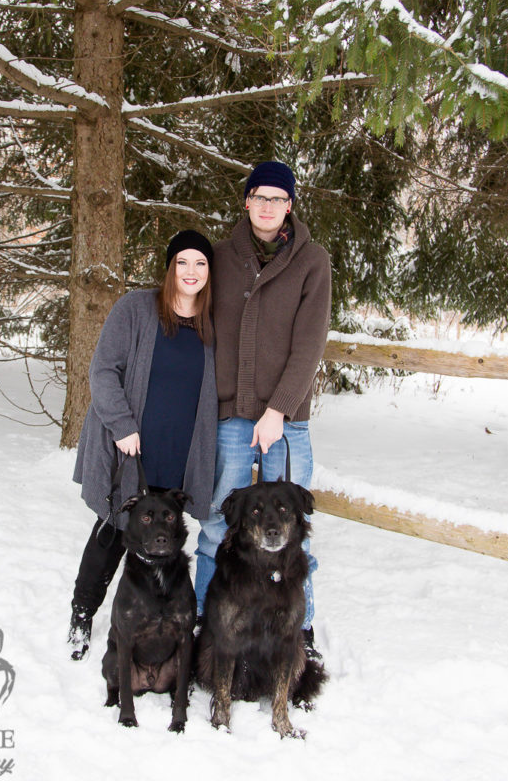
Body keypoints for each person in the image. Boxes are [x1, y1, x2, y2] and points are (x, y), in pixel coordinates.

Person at [194, 161, 331, 655]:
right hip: (231, 416)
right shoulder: (220, 256)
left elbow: (309, 344)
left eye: (279, 198)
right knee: (217, 523)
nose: (269, 206)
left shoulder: (312, 261)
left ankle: (302, 629)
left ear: (290, 205)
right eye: (260, 197)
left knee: (294, 530)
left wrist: (278, 409)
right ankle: (206, 623)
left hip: (287, 421)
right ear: (247, 201)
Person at [68, 229, 217, 661]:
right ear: (170, 267)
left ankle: (157, 622)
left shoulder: (211, 325)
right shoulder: (135, 309)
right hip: (131, 449)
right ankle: (82, 615)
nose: (191, 272)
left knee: (165, 541)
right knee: (113, 533)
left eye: (201, 264)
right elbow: (102, 371)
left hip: (178, 454)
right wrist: (121, 425)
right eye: (183, 262)